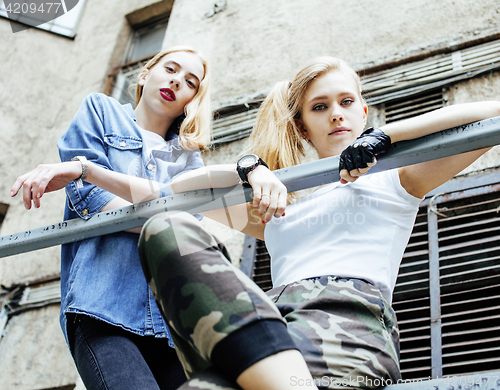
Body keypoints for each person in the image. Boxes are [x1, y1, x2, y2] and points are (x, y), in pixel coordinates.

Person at [136, 56, 500, 389]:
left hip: (347, 329)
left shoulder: (396, 179)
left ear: (363, 111)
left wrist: (386, 136)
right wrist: (251, 169)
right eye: (320, 107)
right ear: (303, 127)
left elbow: (491, 114)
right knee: (162, 231)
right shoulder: (277, 202)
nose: (337, 115)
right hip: (273, 334)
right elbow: (179, 191)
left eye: (346, 102)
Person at [10, 46, 214, 390]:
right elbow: (91, 201)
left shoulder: (188, 156)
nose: (177, 81)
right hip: (102, 306)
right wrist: (164, 214)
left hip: (173, 323)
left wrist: (88, 171)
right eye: (171, 69)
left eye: (190, 82)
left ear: (192, 99)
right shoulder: (100, 110)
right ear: (146, 74)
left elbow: (188, 225)